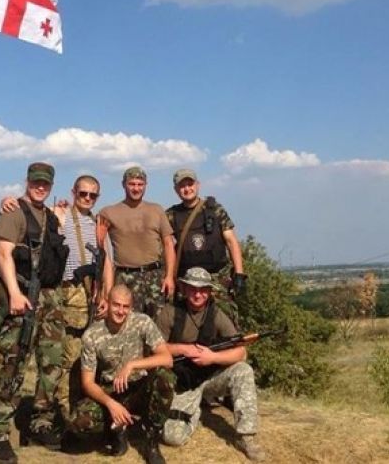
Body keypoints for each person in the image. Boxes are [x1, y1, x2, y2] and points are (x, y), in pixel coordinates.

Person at [0, 162, 68, 464]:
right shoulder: (13, 212)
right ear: (27, 181)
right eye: (36, 182)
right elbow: (3, 254)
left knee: (51, 363)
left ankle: (40, 423)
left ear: (51, 185)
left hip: (50, 299)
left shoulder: (51, 216)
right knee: (15, 363)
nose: (40, 187)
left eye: (45, 183)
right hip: (23, 297)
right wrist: (14, 293)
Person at [154, 267, 265, 461]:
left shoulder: (217, 314)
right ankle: (193, 411)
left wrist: (212, 358)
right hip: (183, 382)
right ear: (184, 288)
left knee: (243, 371)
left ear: (209, 291)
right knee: (172, 437)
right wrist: (183, 349)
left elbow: (241, 352)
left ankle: (246, 436)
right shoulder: (169, 312)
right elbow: (155, 349)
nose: (198, 294)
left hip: (212, 377)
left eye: (203, 290)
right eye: (193, 289)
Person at [70, 284, 175, 464]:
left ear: (131, 307)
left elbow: (167, 359)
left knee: (166, 378)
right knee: (79, 422)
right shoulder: (92, 335)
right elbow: (87, 383)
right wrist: (111, 404)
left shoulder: (142, 322)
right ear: (107, 303)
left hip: (139, 387)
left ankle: (151, 440)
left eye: (126, 307)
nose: (121, 311)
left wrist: (132, 365)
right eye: (116, 305)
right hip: (111, 390)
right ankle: (116, 430)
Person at [97, 166, 176, 318]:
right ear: (124, 184)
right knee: (127, 323)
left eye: (140, 184)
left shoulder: (157, 210)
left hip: (155, 277)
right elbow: (100, 248)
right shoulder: (108, 213)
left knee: (159, 322)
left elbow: (168, 244)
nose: (136, 188)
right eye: (132, 184)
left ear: (146, 185)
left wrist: (169, 277)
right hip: (125, 278)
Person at [166, 169, 246, 310]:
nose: (187, 189)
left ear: (198, 185)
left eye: (190, 184)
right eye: (182, 186)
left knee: (223, 318)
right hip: (187, 281)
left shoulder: (215, 210)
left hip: (216, 278)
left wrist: (239, 274)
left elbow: (231, 241)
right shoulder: (171, 215)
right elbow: (166, 245)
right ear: (176, 189)